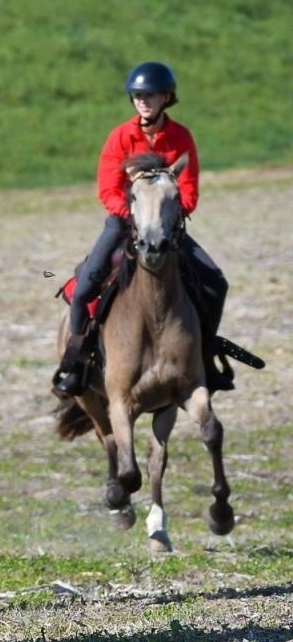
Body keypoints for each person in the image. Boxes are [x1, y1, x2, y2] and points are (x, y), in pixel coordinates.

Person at [52, 62, 232, 396]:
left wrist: (165, 217)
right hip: (123, 224)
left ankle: (204, 358)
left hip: (166, 229)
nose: (142, 101)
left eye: (149, 95)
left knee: (215, 283)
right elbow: (107, 188)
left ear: (167, 97)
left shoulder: (181, 138)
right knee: (84, 286)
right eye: (137, 96)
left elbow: (189, 190)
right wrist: (133, 217)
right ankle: (75, 366)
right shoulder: (121, 137)